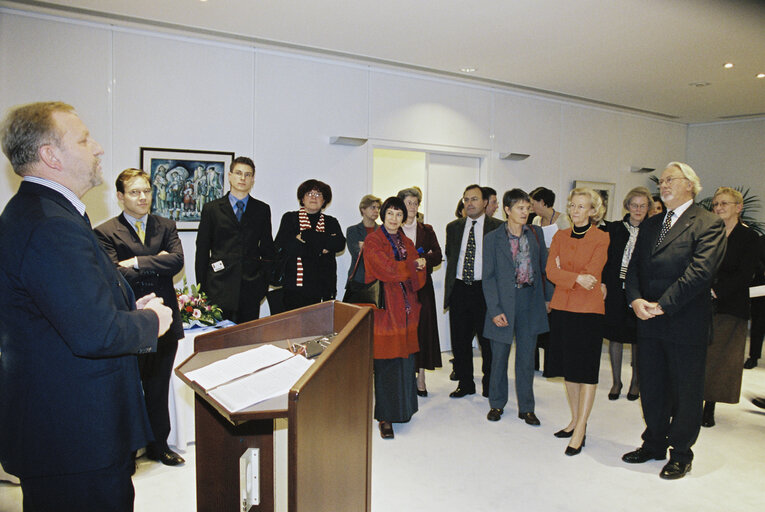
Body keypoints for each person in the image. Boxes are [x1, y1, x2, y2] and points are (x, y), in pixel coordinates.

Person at [0, 102, 173, 511]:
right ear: (50, 155)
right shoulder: (50, 224)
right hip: (75, 436)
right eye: (83, 139)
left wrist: (129, 306)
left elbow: (69, 306)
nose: (97, 148)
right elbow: (95, 332)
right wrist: (152, 321)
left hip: (66, 429)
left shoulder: (45, 212)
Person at [622, 162, 726, 480]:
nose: (663, 185)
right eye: (662, 180)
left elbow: (699, 273)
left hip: (685, 323)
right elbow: (635, 267)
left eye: (671, 180)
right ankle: (653, 443)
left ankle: (681, 453)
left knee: (685, 392)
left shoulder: (708, 223)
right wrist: (636, 299)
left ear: (690, 186)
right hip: (649, 321)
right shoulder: (653, 224)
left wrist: (662, 305)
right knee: (652, 387)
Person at [94, 168, 186, 466]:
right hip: (130, 322)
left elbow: (176, 261)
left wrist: (135, 261)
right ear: (120, 196)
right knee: (130, 390)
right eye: (135, 192)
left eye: (146, 191)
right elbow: (114, 274)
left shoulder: (166, 225)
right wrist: (155, 262)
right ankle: (128, 451)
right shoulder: (105, 232)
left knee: (158, 388)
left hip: (166, 320)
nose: (143, 197)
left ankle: (159, 446)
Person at [544, 187, 609, 456]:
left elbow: (592, 274)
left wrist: (566, 274)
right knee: (569, 369)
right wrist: (574, 278)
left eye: (582, 206)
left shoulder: (601, 238)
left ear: (593, 211)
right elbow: (550, 270)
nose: (575, 210)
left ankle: (581, 428)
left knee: (586, 372)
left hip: (589, 311)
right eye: (572, 205)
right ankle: (574, 419)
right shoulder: (559, 235)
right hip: (562, 308)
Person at [483, 189, 553, 426]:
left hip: (529, 302)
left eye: (527, 208)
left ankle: (527, 408)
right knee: (499, 357)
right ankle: (497, 403)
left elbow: (545, 268)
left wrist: (548, 299)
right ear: (507, 210)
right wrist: (494, 310)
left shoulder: (536, 233)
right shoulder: (492, 238)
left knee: (526, 358)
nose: (525, 212)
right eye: (520, 208)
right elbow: (489, 277)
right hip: (503, 303)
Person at [363, 196, 427, 438]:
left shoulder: (406, 241)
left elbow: (419, 275)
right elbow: (385, 270)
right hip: (385, 310)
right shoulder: (373, 240)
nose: (394, 219)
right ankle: (385, 418)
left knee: (405, 361)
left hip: (407, 310)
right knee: (386, 362)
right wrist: (412, 267)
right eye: (390, 213)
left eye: (399, 215)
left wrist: (416, 267)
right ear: (383, 216)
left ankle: (404, 410)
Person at [701, 187, 759, 427]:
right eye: (715, 204)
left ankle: (709, 406)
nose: (718, 208)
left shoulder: (749, 238)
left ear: (738, 207)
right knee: (699, 354)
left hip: (730, 304)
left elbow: (746, 274)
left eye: (724, 203)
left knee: (719, 357)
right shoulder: (708, 233)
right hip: (702, 302)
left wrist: (718, 290)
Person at [195, 156, 275, 323]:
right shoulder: (212, 209)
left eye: (248, 174)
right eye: (238, 173)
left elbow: (268, 250)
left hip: (250, 288)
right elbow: (202, 250)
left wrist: (262, 284)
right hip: (218, 286)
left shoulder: (262, 209)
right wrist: (202, 289)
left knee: (246, 342)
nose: (242, 178)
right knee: (217, 342)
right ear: (230, 176)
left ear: (253, 179)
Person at [444, 185, 504, 398]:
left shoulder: (498, 227)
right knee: (460, 341)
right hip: (460, 289)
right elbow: (451, 257)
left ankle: (489, 384)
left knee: (487, 343)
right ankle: (465, 383)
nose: (470, 203)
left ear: (485, 203)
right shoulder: (453, 227)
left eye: (475, 199)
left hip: (485, 291)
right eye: (466, 199)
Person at [602, 187, 653, 401]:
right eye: (634, 205)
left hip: (641, 292)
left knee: (637, 338)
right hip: (615, 290)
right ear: (627, 206)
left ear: (648, 208)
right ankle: (616, 381)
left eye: (642, 205)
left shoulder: (654, 230)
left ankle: (636, 382)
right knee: (615, 336)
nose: (638, 209)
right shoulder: (614, 229)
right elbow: (605, 259)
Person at [398, 187, 443, 396]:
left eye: (416, 203)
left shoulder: (427, 229)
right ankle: (405, 376)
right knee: (404, 332)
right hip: (399, 288)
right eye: (409, 203)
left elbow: (438, 254)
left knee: (423, 330)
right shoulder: (393, 230)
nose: (413, 207)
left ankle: (421, 376)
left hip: (423, 287)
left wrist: (425, 260)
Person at [275, 179, 346, 311]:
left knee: (320, 329)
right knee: (294, 328)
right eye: (309, 193)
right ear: (302, 198)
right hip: (295, 287)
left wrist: (305, 237)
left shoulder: (331, 222)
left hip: (323, 286)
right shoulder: (290, 218)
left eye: (318, 194)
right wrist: (323, 245)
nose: (314, 197)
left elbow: (340, 244)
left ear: (324, 200)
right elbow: (283, 246)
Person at [345, 194, 381, 286]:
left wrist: (365, 246)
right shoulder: (352, 230)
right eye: (373, 207)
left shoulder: (383, 231)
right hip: (358, 279)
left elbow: (385, 254)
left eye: (378, 208)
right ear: (363, 209)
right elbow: (357, 254)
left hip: (379, 279)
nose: (376, 211)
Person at [745, 233, 765, 369]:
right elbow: (754, 260)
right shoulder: (761, 240)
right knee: (758, 324)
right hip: (762, 289)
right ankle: (753, 357)